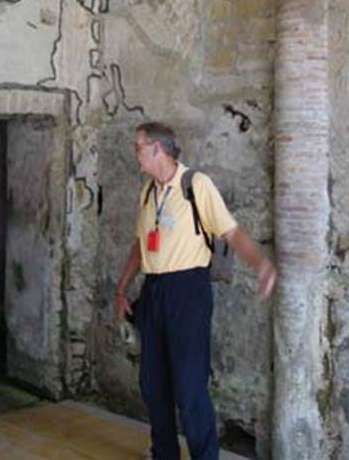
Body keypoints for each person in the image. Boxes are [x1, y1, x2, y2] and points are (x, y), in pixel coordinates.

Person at [115, 121, 277, 460]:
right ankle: (164, 454)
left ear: (157, 149)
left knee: (189, 388)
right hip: (154, 290)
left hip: (188, 291)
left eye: (138, 147)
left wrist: (260, 263)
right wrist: (122, 288)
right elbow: (139, 244)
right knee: (153, 386)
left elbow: (231, 233)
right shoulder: (147, 192)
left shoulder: (195, 185)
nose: (135, 153)